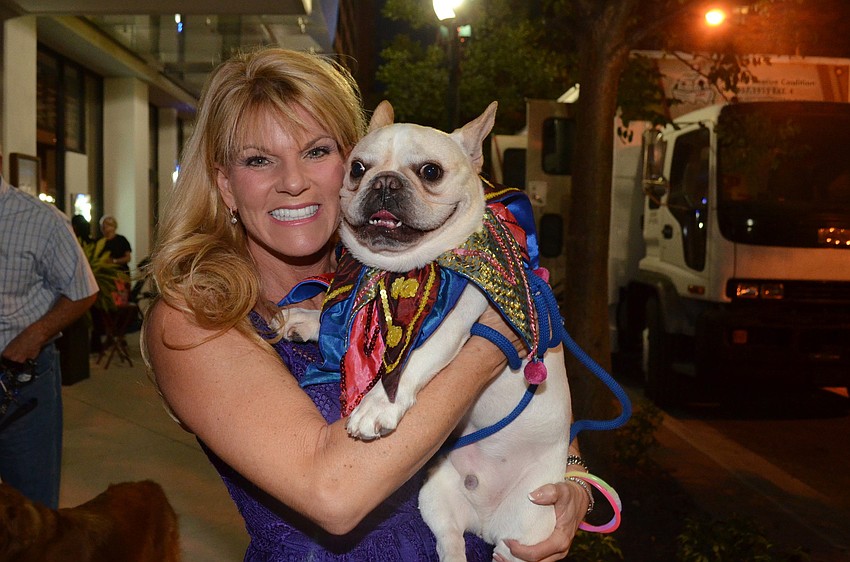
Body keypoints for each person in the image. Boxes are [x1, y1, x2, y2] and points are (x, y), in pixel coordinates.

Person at [142, 47, 589, 561]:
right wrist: (490, 342)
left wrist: (571, 477)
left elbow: (537, 398)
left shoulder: (396, 276)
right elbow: (333, 493)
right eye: (259, 159)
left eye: (316, 151)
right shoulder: (197, 320)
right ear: (225, 185)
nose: (293, 181)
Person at [0, 160, 99, 508]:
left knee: (31, 505)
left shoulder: (41, 220)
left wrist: (35, 334)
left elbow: (83, 289)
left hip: (20, 379)